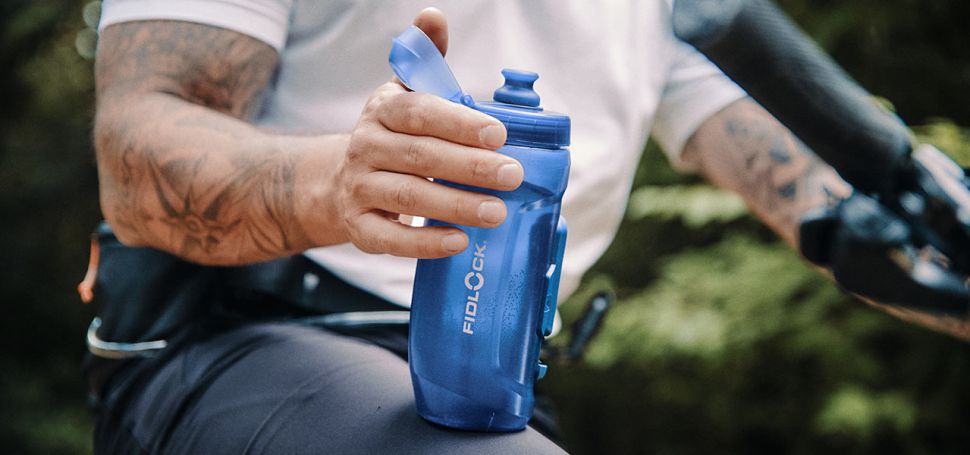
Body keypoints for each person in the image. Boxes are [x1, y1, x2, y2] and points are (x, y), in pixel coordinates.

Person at [88, 0, 966, 453]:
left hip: (487, 381)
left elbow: (804, 186)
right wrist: (331, 183)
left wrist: (908, 243)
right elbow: (135, 148)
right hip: (229, 335)